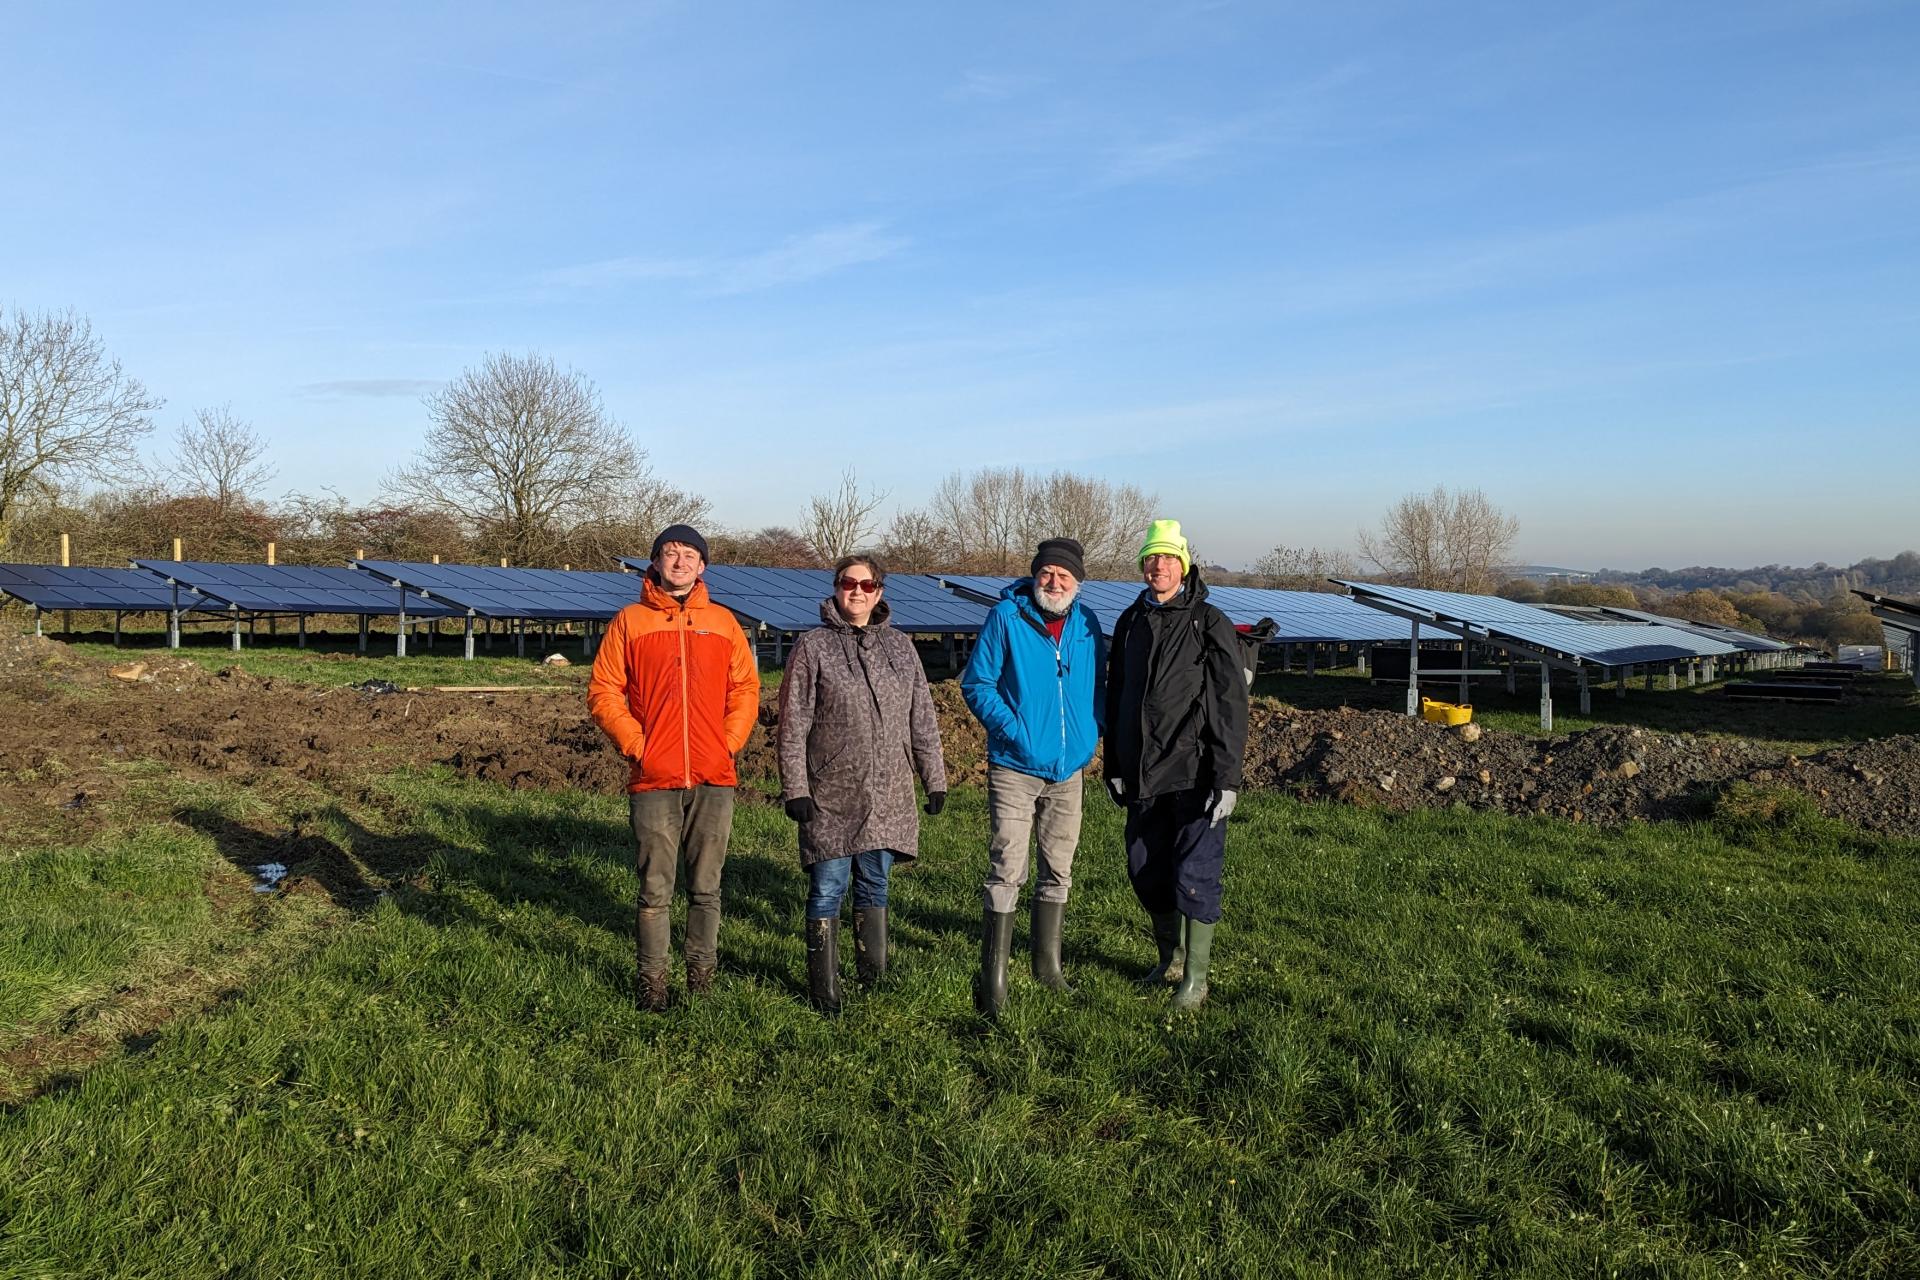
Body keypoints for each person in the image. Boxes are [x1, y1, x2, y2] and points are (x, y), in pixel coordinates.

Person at [588, 523, 759, 1012]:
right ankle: (653, 982)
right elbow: (604, 692)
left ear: (703, 566)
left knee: (706, 886)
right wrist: (638, 745)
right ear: (656, 562)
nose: (680, 562)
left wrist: (726, 743)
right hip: (654, 776)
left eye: (690, 555)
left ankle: (701, 976)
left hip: (713, 775)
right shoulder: (631, 621)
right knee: (654, 887)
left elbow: (745, 690)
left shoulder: (724, 623)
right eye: (671, 553)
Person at [776, 554, 947, 1015]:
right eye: (848, 583)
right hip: (830, 791)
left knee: (875, 884)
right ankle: (824, 991)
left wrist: (934, 778)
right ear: (835, 588)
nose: (857, 591)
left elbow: (921, 717)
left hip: (889, 791)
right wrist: (796, 788)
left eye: (866, 584)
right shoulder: (812, 647)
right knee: (828, 887)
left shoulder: (901, 647)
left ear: (880, 592)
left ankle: (874, 978)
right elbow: (793, 724)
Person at [1102, 519, 1249, 1011]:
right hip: (1144, 771)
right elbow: (1118, 695)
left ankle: (1196, 980)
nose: (1158, 566)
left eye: (1168, 558)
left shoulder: (1208, 622)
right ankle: (1170, 956)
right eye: (1151, 558)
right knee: (1145, 869)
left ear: (1183, 565)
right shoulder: (1129, 622)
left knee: (1195, 872)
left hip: (1196, 771)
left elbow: (1230, 703)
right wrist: (1115, 764)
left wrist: (1227, 777)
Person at [960, 537, 1105, 1018]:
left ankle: (1048, 964)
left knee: (1059, 866)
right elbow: (977, 683)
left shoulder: (1087, 624)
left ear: (1077, 583)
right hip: (1015, 766)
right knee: (1008, 865)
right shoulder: (1007, 617)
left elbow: (1098, 686)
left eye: (1064, 576)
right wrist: (1013, 730)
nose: (1054, 582)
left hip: (1069, 770)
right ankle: (994, 975)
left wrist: (1091, 731)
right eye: (1047, 573)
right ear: (1035, 575)